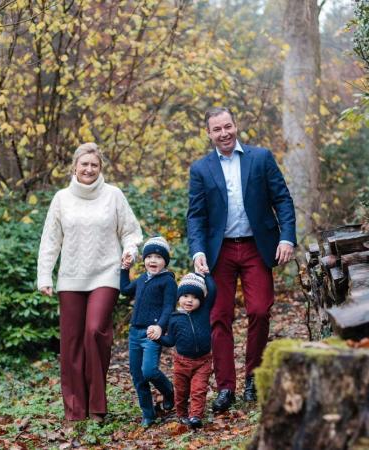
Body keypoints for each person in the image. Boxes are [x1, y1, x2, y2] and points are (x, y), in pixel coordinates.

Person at [187, 107, 296, 413]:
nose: (224, 133)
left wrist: (286, 237)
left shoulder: (260, 158)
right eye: (217, 129)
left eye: (228, 126)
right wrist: (197, 251)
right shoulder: (201, 169)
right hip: (218, 252)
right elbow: (195, 216)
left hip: (255, 247)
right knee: (219, 317)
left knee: (260, 310)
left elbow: (282, 200)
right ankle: (225, 387)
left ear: (236, 126)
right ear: (209, 134)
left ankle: (254, 377)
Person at [37, 142, 143, 422]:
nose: (89, 169)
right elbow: (50, 239)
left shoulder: (113, 195)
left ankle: (97, 406)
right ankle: (75, 412)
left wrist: (131, 250)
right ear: (74, 167)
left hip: (105, 273)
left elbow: (131, 231)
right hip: (71, 277)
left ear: (100, 168)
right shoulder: (61, 198)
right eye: (84, 164)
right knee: (71, 343)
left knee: (95, 331)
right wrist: (44, 275)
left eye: (94, 165)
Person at [120, 236, 176, 427]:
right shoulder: (142, 278)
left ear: (165, 261)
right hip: (135, 333)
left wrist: (160, 326)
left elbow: (169, 307)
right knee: (138, 377)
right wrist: (124, 269)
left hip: (152, 333)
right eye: (149, 256)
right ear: (144, 260)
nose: (153, 260)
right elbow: (125, 289)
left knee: (149, 371)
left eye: (158, 257)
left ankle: (168, 391)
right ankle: (148, 414)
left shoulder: (167, 281)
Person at [157, 272, 216, 430]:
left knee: (199, 389)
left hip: (203, 360)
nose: (190, 300)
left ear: (201, 300)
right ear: (179, 297)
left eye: (195, 297)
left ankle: (195, 416)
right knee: (181, 390)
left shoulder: (203, 311)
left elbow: (213, 290)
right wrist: (158, 338)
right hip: (182, 361)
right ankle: (182, 414)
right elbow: (170, 341)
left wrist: (206, 275)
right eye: (186, 296)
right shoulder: (174, 318)